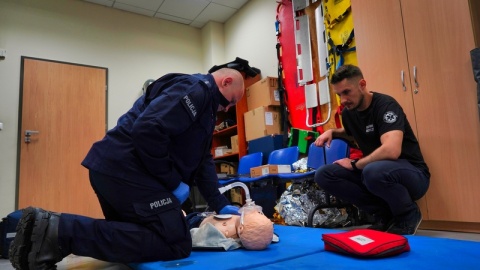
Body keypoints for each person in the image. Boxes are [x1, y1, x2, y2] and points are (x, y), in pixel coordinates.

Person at [9, 58, 259, 269]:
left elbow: (203, 158)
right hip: (125, 170)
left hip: (115, 170)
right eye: (232, 100)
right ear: (226, 82)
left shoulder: (205, 109)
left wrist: (219, 203)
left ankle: (48, 238)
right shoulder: (196, 89)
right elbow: (148, 131)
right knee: (175, 242)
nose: (227, 107)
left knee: (137, 233)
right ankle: (57, 230)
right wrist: (172, 182)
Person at [314, 64, 430, 235]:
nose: (343, 100)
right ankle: (384, 214)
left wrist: (355, 165)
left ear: (362, 84)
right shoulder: (348, 113)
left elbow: (391, 151)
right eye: (339, 95)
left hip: (413, 174)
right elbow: (352, 131)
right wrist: (332, 132)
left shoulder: (385, 105)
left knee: (371, 171)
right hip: (374, 171)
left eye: (346, 92)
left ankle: (407, 214)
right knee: (324, 175)